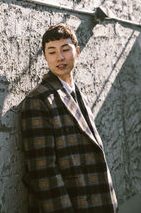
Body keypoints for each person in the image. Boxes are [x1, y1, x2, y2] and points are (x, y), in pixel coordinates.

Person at [21, 23, 118, 213]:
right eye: (52, 52)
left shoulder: (78, 94)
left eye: (65, 49)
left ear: (78, 51)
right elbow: (43, 172)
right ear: (45, 57)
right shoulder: (39, 101)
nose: (60, 57)